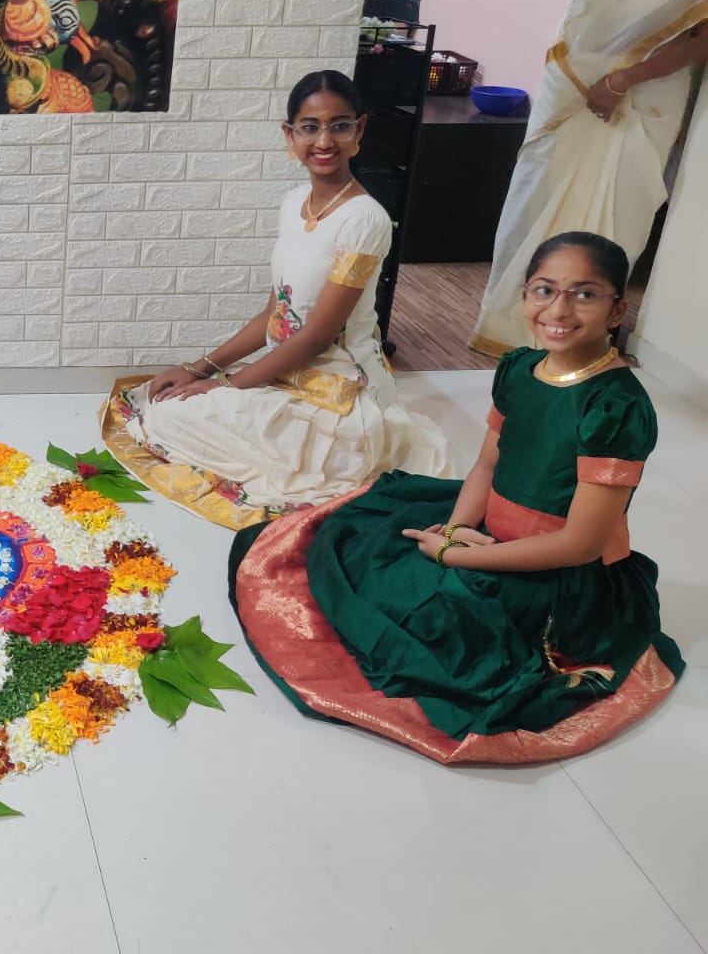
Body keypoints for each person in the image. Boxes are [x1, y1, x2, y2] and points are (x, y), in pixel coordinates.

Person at [233, 233, 682, 763]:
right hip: (486, 526)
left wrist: (457, 556)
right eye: (544, 290)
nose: (558, 310)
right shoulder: (520, 369)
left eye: (584, 294)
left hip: (558, 573)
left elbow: (580, 544)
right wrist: (454, 528)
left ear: (617, 309)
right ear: (524, 295)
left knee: (447, 636)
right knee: (365, 548)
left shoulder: (615, 405)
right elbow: (488, 466)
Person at [101, 70, 452, 528]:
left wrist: (226, 386)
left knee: (192, 419)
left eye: (339, 126)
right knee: (167, 403)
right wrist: (199, 368)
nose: (323, 141)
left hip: (338, 393)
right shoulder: (294, 203)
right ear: (289, 134)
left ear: (359, 130)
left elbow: (317, 337)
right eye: (310, 127)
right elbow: (275, 314)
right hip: (286, 369)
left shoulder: (365, 220)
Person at [471, 0, 708, 355]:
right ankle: (511, 326)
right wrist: (599, 46)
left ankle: (585, 334)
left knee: (622, 208)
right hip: (572, 83)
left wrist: (623, 77)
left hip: (648, 97)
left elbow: (701, 40)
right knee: (535, 195)